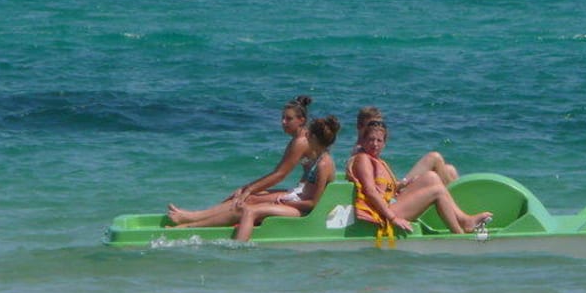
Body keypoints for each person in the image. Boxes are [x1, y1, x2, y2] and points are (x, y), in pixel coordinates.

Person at [168, 95, 314, 228]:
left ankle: (193, 220)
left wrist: (249, 189)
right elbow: (279, 172)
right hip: (300, 191)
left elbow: (280, 175)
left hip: (302, 195)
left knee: (248, 198)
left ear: (301, 120)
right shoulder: (298, 139)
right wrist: (248, 187)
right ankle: (194, 217)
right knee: (245, 194)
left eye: (288, 119)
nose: (283, 122)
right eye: (282, 118)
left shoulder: (301, 141)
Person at [348, 121, 490, 235]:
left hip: (391, 204)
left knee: (431, 177)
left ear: (384, 143)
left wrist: (403, 185)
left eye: (379, 141)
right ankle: (459, 235)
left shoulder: (379, 162)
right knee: (437, 191)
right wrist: (393, 218)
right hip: (382, 214)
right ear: (363, 141)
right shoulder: (363, 159)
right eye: (371, 140)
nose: (375, 144)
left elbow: (384, 190)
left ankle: (464, 220)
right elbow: (370, 191)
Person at [233, 115, 341, 242]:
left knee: (251, 211)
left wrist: (288, 203)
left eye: (308, 135)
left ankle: (238, 248)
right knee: (253, 201)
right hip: (297, 202)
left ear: (313, 138)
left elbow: (313, 204)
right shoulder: (318, 159)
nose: (305, 137)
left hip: (305, 212)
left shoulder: (323, 164)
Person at [348, 106, 459, 188]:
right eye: (372, 125)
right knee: (434, 157)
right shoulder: (360, 152)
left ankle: (455, 205)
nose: (376, 129)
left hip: (394, 187)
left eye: (380, 125)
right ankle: (456, 203)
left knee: (449, 170)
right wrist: (402, 185)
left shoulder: (369, 149)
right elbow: (375, 188)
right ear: (359, 126)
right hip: (394, 194)